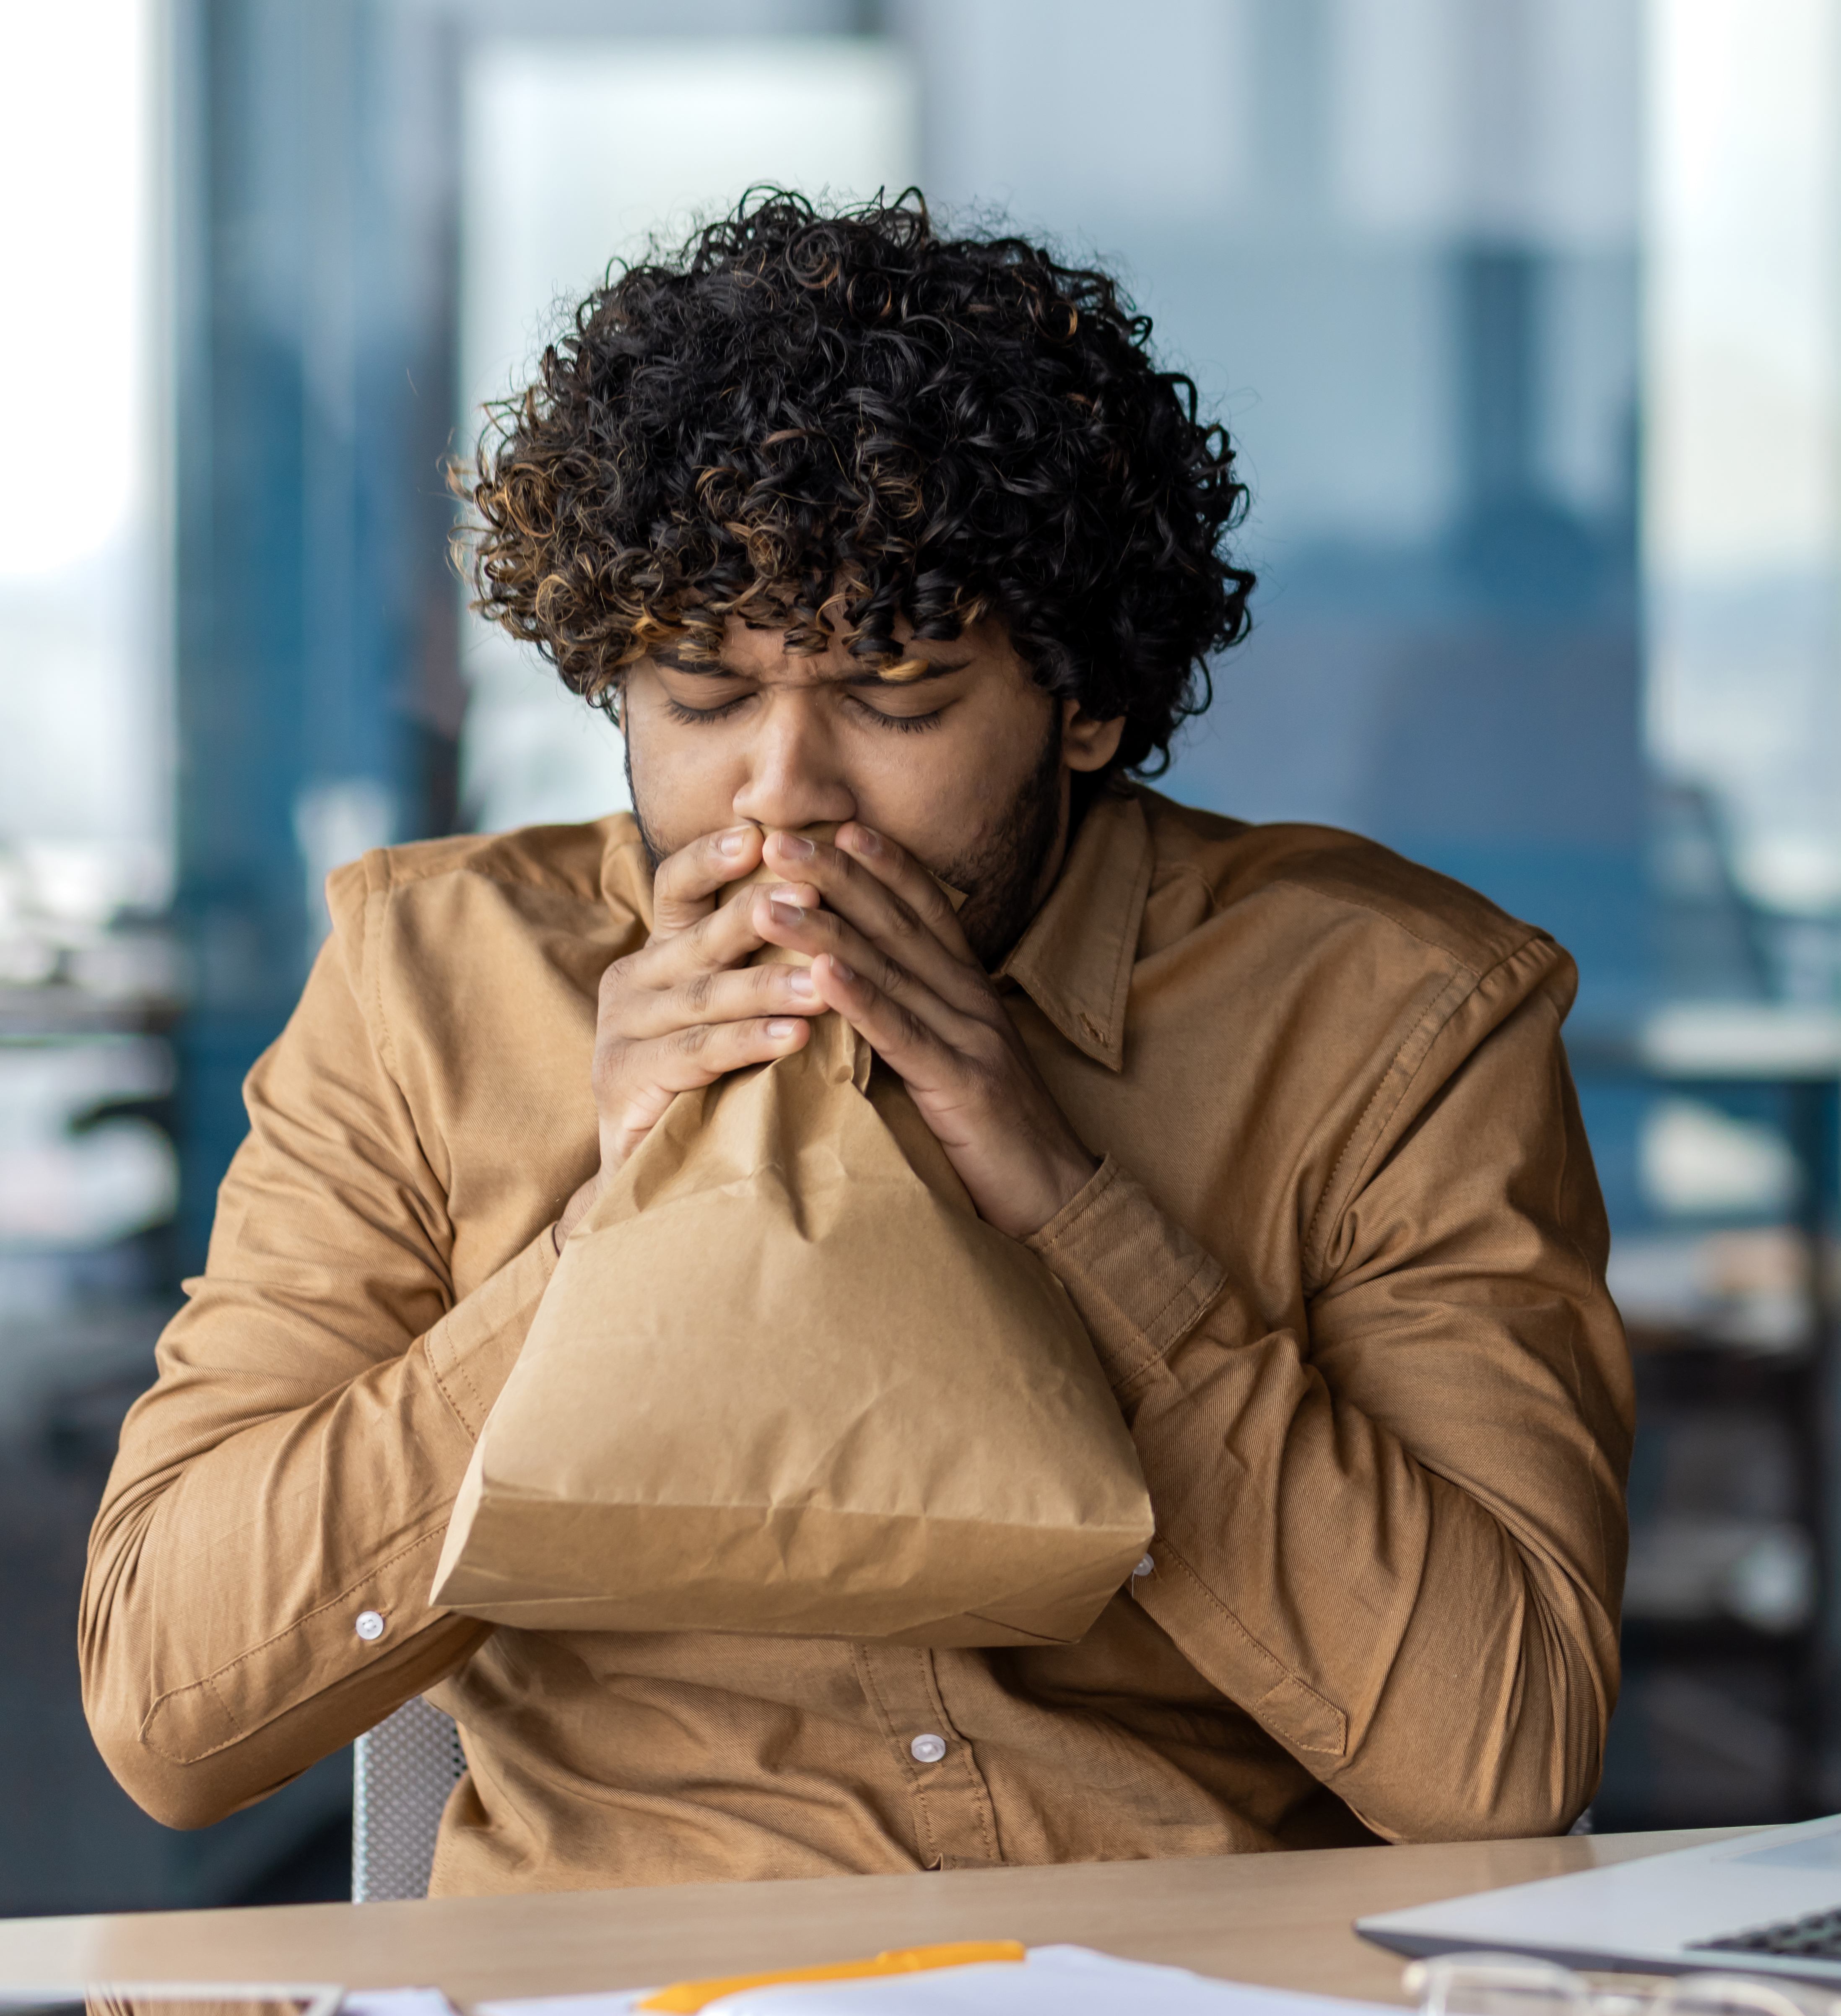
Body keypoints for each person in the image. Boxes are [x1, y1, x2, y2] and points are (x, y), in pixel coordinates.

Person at [77, 193, 1634, 1894]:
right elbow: (172, 1711)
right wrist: (601, 1250)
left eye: (894, 699)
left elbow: (1500, 1759)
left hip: (1168, 2001)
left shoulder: (1388, 1016)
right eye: (700, 696)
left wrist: (1061, 1202)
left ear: (1088, 701)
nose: (782, 797)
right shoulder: (430, 988)